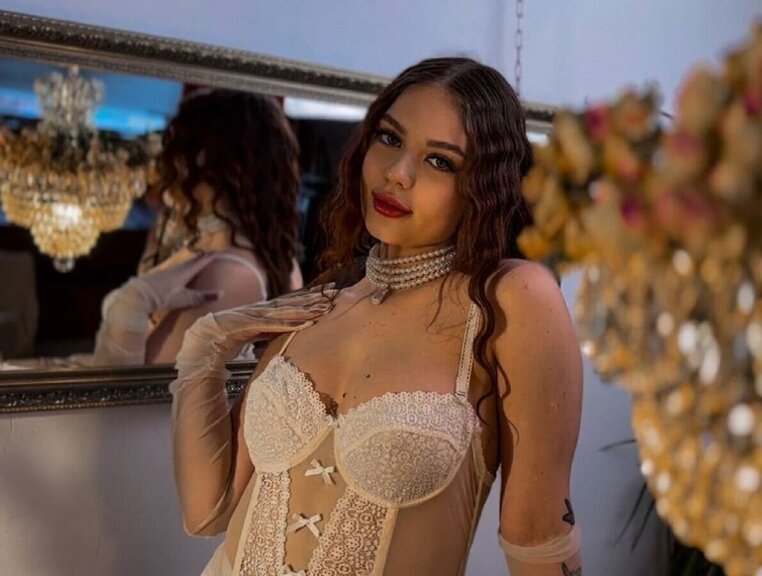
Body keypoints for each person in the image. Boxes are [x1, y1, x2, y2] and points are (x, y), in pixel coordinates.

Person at [171, 58, 584, 575]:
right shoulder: (323, 300)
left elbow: (538, 538)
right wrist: (204, 345)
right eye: (390, 138)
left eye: (440, 162)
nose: (397, 173)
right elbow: (206, 512)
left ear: (484, 186)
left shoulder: (511, 299)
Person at [90, 90, 304, 366]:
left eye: (179, 148)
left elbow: (139, 389)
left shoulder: (230, 274)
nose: (166, 165)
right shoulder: (263, 254)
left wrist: (131, 304)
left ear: (208, 159)